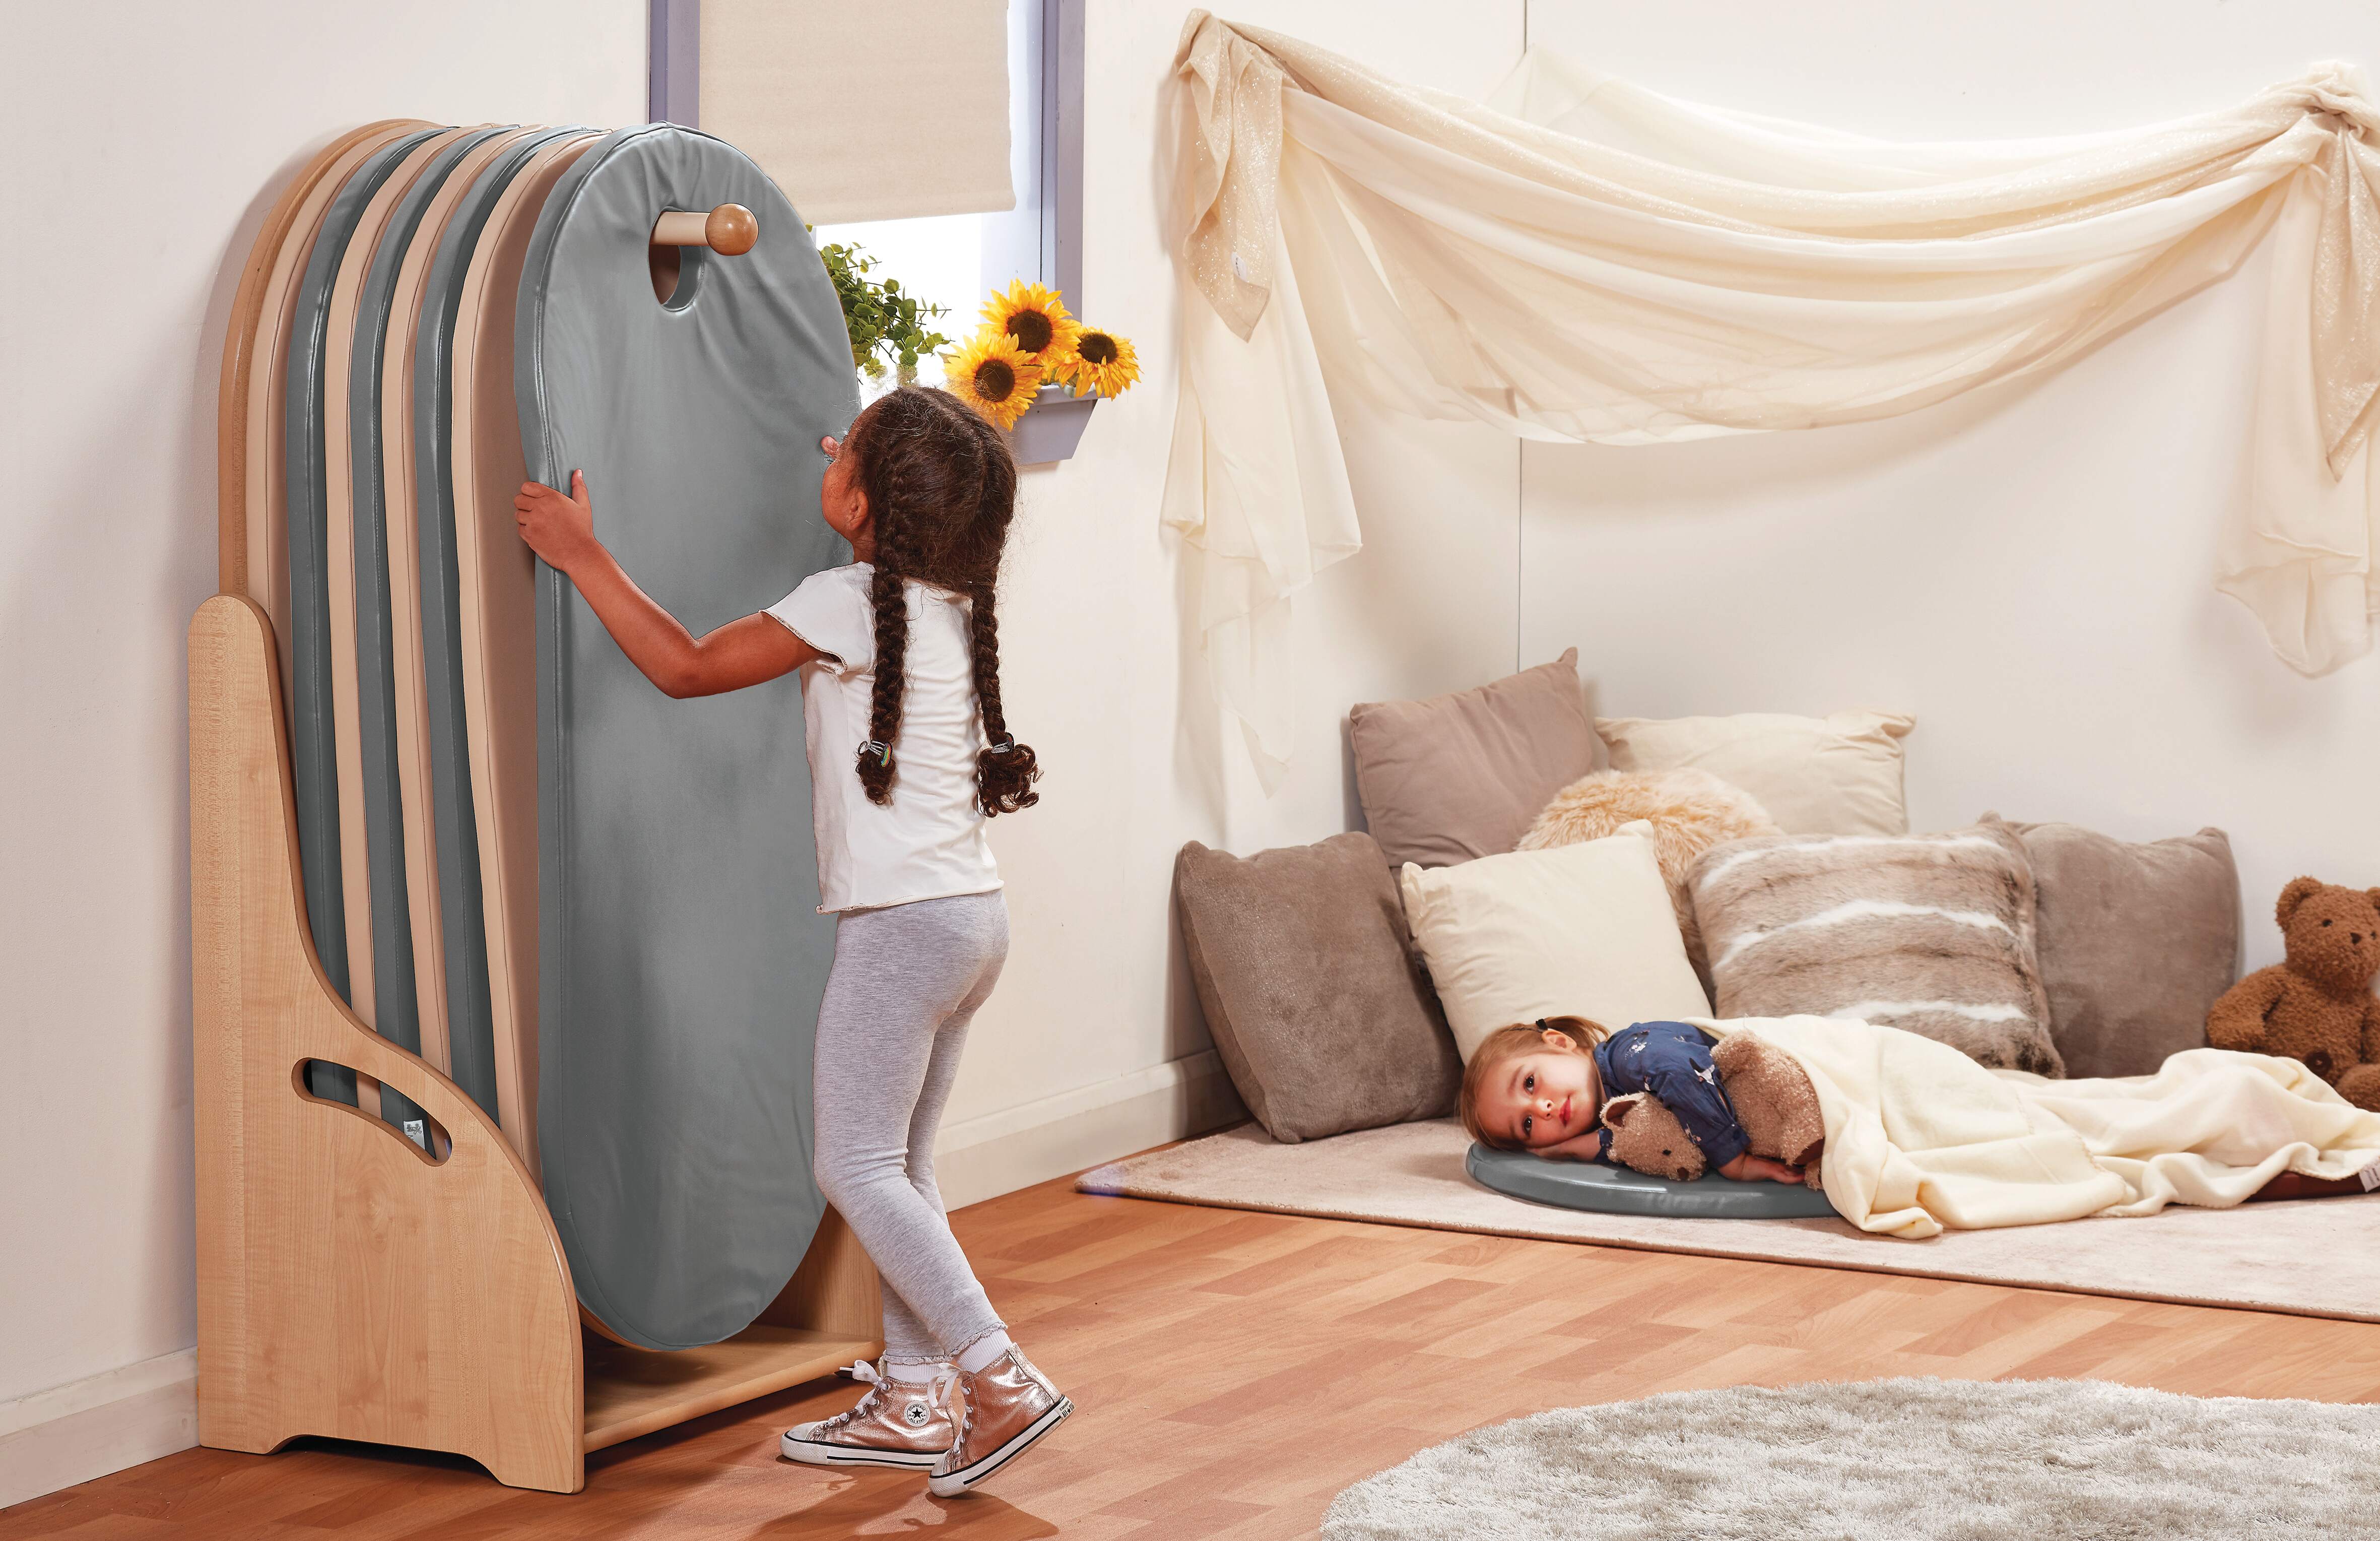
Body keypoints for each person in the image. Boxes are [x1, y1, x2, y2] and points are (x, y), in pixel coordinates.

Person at [512, 386, 1070, 1498]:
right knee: (900, 1165)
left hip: (902, 931)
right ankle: (916, 1398)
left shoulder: (849, 600)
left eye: (847, 452)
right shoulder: (951, 601)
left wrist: (584, 557)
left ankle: (997, 1372)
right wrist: (872, 471)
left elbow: (683, 664)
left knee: (850, 1162)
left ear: (862, 504)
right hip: (971, 921)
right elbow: (882, 510)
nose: (831, 449)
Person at [1459, 1015, 1805, 1181]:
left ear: (1561, 1043)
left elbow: (1682, 1074)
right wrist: (1572, 1147)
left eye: (1531, 1083)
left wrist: (1734, 1162)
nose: (1541, 1108)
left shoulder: (1629, 1055)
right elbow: (1648, 1135)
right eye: (1527, 1124)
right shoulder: (1612, 1109)